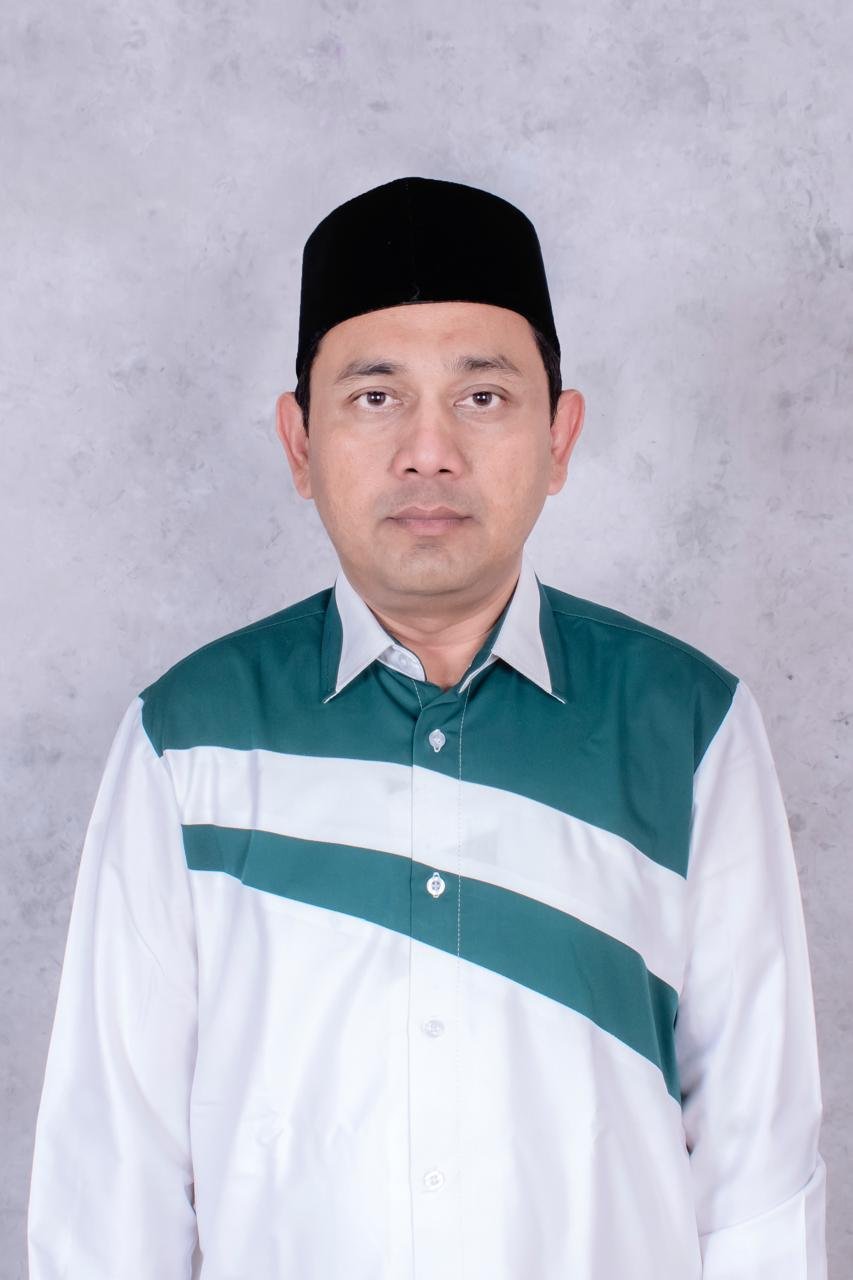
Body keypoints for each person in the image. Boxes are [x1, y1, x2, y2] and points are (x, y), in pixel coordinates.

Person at [27, 175, 827, 1278]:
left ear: (560, 435)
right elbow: (111, 1175)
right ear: (299, 442)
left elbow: (758, 1171)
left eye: (482, 395)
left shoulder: (687, 725)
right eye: (374, 396)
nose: (428, 450)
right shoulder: (189, 740)